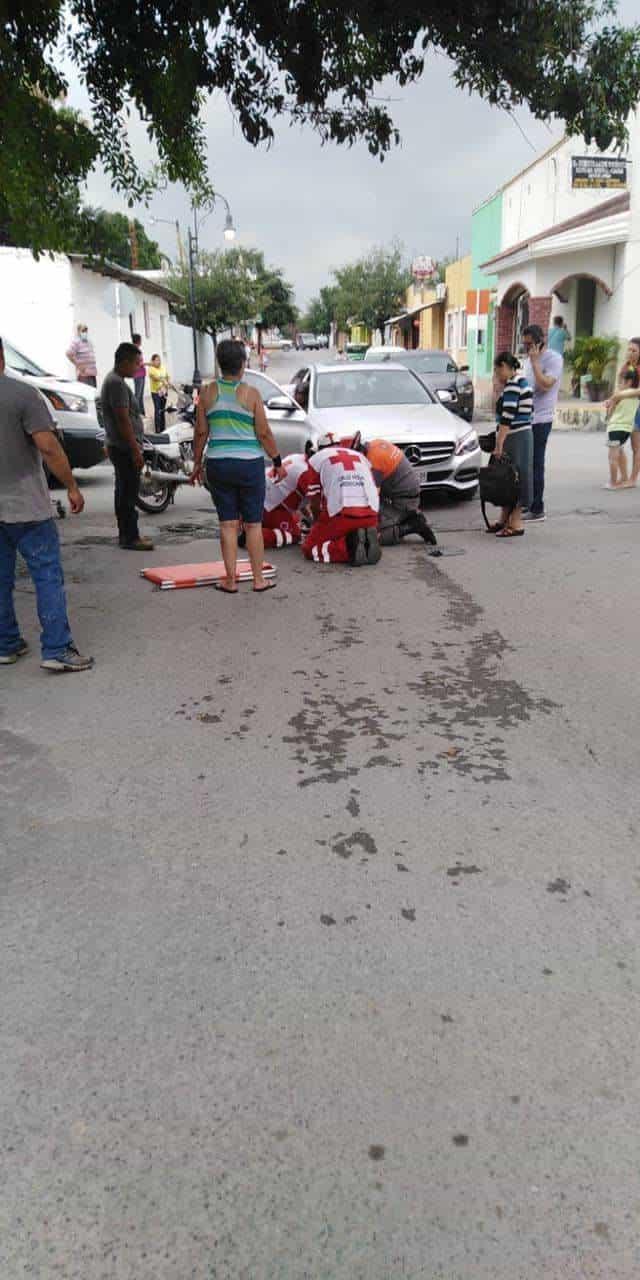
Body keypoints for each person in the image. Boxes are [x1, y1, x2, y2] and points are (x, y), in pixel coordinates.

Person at [0, 337, 93, 671]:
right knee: (46, 574)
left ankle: (6, 643)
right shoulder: (23, 395)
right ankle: (56, 649)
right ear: (1, 357)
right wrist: (71, 486)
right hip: (26, 506)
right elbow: (49, 447)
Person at [191, 338, 286, 593]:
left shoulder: (208, 393)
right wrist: (277, 461)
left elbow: (201, 432)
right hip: (249, 465)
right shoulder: (252, 394)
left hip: (219, 464)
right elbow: (264, 433)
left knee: (227, 523)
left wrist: (196, 464)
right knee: (253, 524)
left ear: (220, 364)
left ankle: (230, 580)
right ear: (243, 364)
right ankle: (258, 580)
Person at [99, 343, 154, 551]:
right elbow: (123, 420)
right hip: (123, 447)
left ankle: (127, 534)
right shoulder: (116, 384)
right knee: (128, 493)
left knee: (123, 491)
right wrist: (135, 449)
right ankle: (131, 537)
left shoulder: (116, 381)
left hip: (120, 445)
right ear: (125, 362)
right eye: (136, 363)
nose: (138, 368)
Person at [298, 433, 381, 565]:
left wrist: (317, 524)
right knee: (341, 528)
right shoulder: (361, 457)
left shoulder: (317, 460)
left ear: (319, 448)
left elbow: (315, 502)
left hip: (342, 516)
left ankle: (349, 546)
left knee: (310, 548)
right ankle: (366, 539)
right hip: (371, 516)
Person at [351, 434, 437, 546]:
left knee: (370, 536)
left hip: (403, 502)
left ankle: (411, 526)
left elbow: (372, 499)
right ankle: (407, 517)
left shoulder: (374, 462)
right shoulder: (375, 444)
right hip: (407, 494)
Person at [522, 323, 563, 522]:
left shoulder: (554, 359)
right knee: (525, 465)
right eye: (525, 344)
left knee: (536, 464)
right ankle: (528, 503)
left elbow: (545, 385)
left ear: (540, 342)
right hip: (525, 418)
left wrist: (536, 362)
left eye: (530, 344)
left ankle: (538, 508)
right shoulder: (528, 360)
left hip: (541, 419)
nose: (527, 348)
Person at [491, 352, 533, 539]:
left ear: (503, 367)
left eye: (497, 370)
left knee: (514, 479)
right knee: (509, 478)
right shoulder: (520, 382)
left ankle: (516, 523)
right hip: (519, 435)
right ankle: (504, 519)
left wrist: (499, 443)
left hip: (515, 437)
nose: (496, 374)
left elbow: (507, 416)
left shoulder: (513, 385)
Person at [605, 337, 640, 487]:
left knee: (636, 447)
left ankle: (632, 479)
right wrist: (612, 399)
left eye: (634, 350)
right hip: (624, 410)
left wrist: (620, 395)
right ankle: (624, 477)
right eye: (629, 349)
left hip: (637, 408)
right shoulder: (625, 367)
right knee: (620, 445)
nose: (630, 353)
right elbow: (619, 388)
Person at [258, 451, 310, 547]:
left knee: (296, 519)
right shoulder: (306, 472)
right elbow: (316, 502)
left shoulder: (297, 457)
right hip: (271, 507)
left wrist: (309, 517)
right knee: (295, 535)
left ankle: (252, 524)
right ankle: (255, 535)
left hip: (259, 496)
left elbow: (298, 498)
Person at [147, 354, 171, 433]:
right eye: (157, 360)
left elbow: (167, 376)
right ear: (153, 361)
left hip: (164, 391)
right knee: (157, 410)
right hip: (156, 392)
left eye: (159, 360)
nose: (159, 361)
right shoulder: (151, 369)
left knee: (163, 410)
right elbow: (155, 377)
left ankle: (163, 429)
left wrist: (168, 383)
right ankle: (157, 430)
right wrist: (163, 380)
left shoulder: (163, 367)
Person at [131, 333, 146, 415]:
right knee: (137, 395)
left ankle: (142, 413)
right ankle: (136, 413)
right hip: (138, 375)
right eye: (140, 340)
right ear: (138, 341)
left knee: (140, 396)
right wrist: (149, 364)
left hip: (142, 374)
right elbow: (138, 363)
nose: (141, 341)